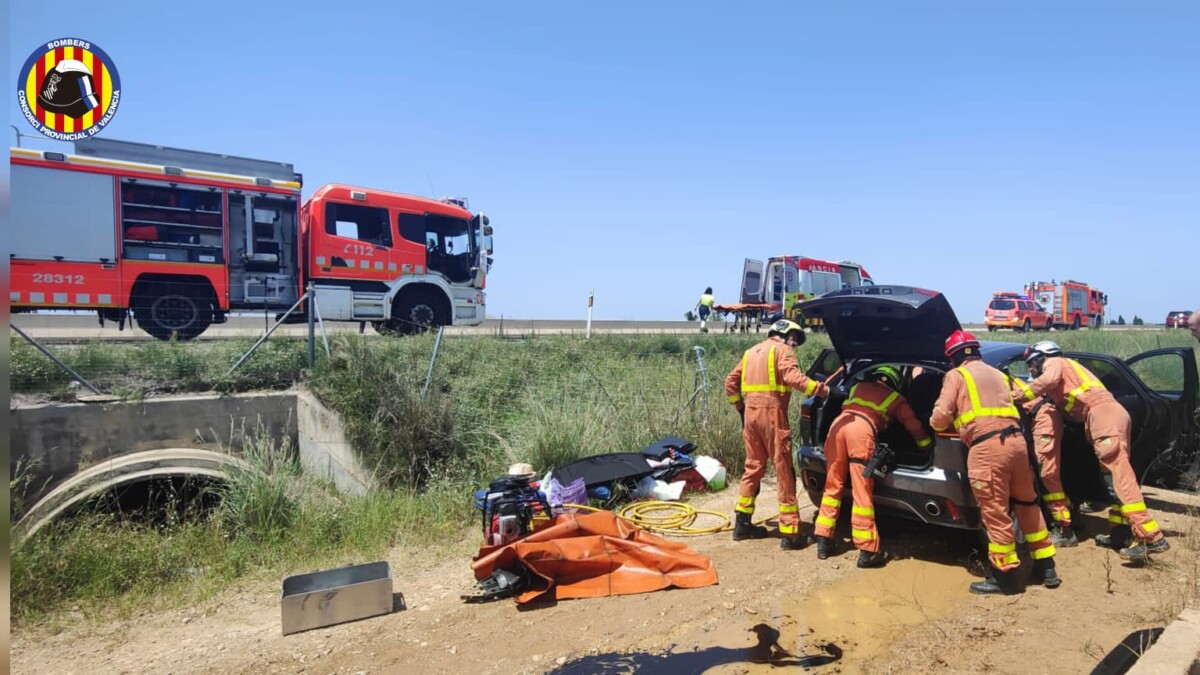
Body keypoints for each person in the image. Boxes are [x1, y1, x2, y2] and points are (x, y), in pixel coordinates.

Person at [931, 330, 1060, 595]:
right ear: (975, 351)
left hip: (987, 449)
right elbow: (1027, 395)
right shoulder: (1000, 374)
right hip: (1017, 445)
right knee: (1026, 503)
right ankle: (1047, 567)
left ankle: (1004, 579)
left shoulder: (957, 375)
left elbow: (941, 416)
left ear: (953, 357)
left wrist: (935, 423)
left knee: (995, 512)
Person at [1024, 340, 1169, 561]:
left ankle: (1151, 536)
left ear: (1041, 356)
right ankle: (1120, 533)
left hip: (1102, 416)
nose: (1032, 369)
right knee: (1112, 479)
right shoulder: (1069, 370)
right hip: (1109, 415)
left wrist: (1017, 394)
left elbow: (1048, 380)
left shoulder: (1055, 362)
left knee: (1120, 478)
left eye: (1032, 363)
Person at [725, 319, 830, 550]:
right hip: (772, 414)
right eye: (795, 340)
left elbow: (730, 382)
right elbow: (793, 379)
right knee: (784, 470)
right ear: (787, 335)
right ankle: (791, 533)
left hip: (751, 416)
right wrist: (823, 390)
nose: (794, 345)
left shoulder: (751, 352)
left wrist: (741, 408)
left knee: (753, 467)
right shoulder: (782, 350)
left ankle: (742, 524)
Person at [814, 365, 931, 568]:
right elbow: (913, 425)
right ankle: (868, 550)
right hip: (861, 433)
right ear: (894, 381)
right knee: (862, 492)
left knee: (833, 486)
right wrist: (926, 445)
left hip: (838, 426)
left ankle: (823, 540)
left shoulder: (857, 387)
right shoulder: (896, 398)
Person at [1008, 374, 1077, 547]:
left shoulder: (1000, 380)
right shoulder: (1006, 377)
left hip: (1043, 420)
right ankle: (1069, 516)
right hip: (1042, 417)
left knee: (1046, 474)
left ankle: (1064, 528)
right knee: (1048, 473)